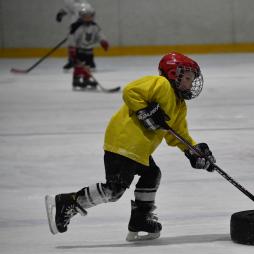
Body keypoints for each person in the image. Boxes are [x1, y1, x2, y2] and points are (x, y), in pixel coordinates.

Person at [45, 52, 216, 241]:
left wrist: (194, 151)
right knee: (114, 190)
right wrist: (145, 112)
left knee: (152, 174)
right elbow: (130, 91)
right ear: (174, 74)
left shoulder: (179, 105)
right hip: (123, 142)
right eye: (188, 78)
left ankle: (140, 219)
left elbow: (177, 134)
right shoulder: (161, 84)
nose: (191, 84)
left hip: (138, 150)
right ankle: (68, 201)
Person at [69, 3, 109, 89]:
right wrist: (72, 48)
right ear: (81, 16)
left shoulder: (95, 26)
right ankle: (76, 80)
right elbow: (73, 38)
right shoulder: (78, 27)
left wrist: (103, 41)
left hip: (89, 50)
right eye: (85, 16)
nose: (88, 18)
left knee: (88, 66)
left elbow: (99, 34)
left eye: (89, 16)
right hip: (79, 50)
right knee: (79, 66)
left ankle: (86, 79)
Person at [56, 0, 91, 70]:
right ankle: (71, 61)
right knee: (71, 43)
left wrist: (81, 21)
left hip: (83, 26)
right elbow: (67, 8)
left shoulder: (84, 3)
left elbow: (88, 12)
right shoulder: (69, 1)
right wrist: (60, 14)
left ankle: (88, 61)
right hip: (73, 25)